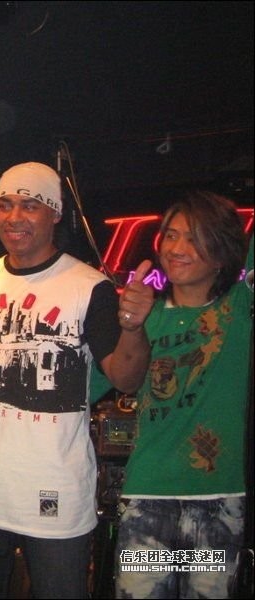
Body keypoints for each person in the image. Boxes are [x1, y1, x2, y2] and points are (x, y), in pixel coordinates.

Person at [0, 162, 155, 598]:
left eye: (30, 205)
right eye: (5, 205)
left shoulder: (88, 287)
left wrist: (133, 327)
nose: (14, 217)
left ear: (55, 213)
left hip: (57, 496)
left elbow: (127, 379)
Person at [114, 191, 252, 599]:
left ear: (222, 252)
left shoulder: (240, 308)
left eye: (194, 238)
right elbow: (116, 381)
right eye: (171, 235)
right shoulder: (145, 316)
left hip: (219, 500)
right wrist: (130, 325)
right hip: (146, 500)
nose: (177, 248)